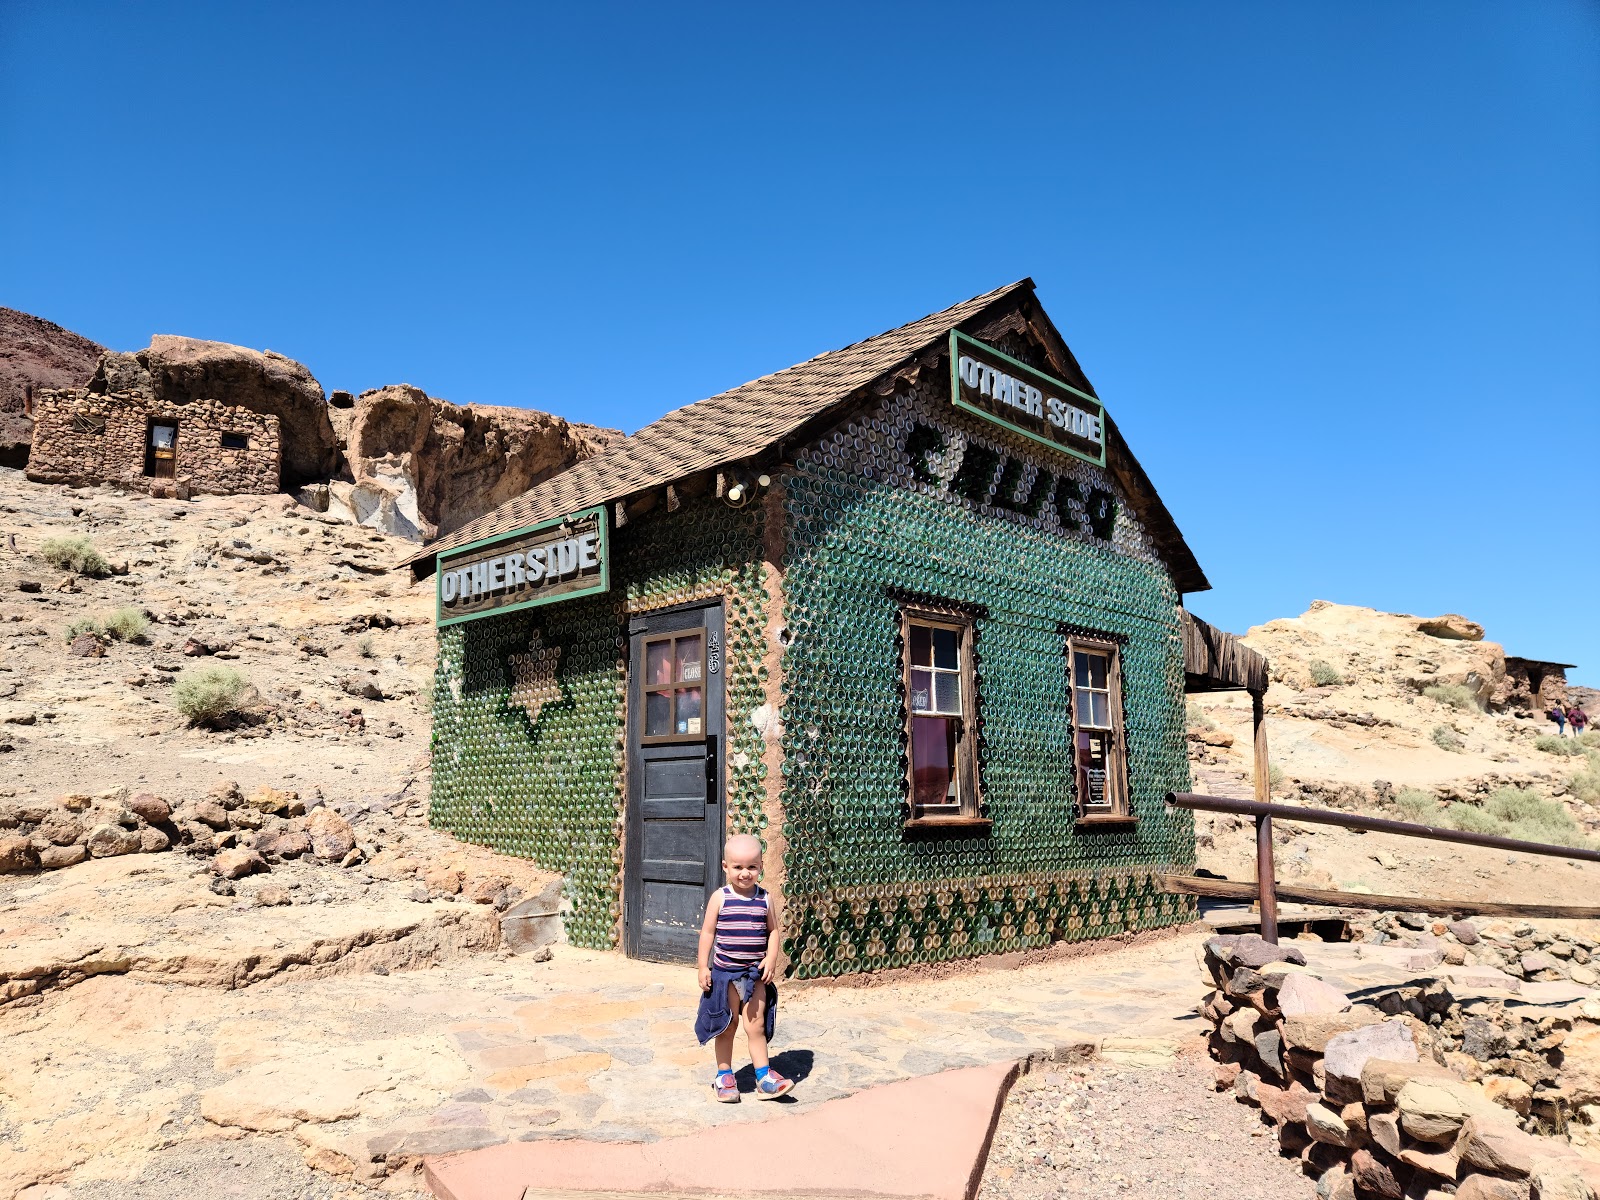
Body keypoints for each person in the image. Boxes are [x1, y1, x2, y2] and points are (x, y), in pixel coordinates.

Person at [694, 833, 792, 1103]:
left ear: (761, 866)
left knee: (756, 1026)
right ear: (725, 867)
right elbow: (707, 933)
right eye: (738, 867)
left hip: (754, 977)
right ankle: (724, 1076)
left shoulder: (765, 899)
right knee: (727, 1025)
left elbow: (773, 932)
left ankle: (764, 1078)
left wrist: (771, 958)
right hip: (725, 976)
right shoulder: (720, 898)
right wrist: (703, 966)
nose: (745, 873)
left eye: (752, 867)